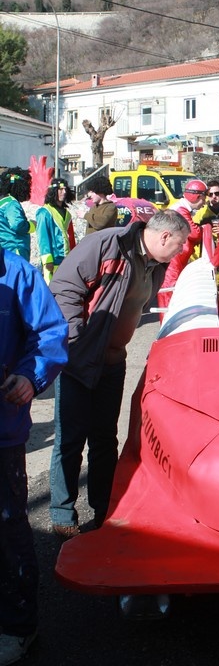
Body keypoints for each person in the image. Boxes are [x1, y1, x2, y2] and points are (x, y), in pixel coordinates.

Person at [48, 211, 190, 539]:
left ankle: (103, 508)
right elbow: (64, 290)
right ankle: (61, 513)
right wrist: (75, 340)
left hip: (113, 362)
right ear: (165, 237)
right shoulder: (106, 245)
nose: (180, 252)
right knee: (70, 439)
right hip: (79, 359)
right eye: (179, 245)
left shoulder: (156, 263)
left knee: (104, 437)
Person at [0, 246, 68, 665]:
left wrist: (30, 374)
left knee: (7, 529)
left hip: (3, 431)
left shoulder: (17, 273)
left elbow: (50, 333)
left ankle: (18, 626)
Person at [159, 179, 207, 310]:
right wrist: (205, 228)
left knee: (171, 289)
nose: (204, 202)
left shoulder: (180, 207)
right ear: (197, 196)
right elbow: (195, 234)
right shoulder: (181, 210)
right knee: (169, 290)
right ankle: (168, 324)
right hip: (174, 259)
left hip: (175, 257)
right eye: (203, 198)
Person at [35, 178, 76, 284]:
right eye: (60, 189)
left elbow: (71, 238)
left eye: (65, 189)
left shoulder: (67, 214)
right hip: (53, 261)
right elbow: (43, 238)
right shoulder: (44, 212)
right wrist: (47, 260)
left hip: (67, 260)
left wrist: (74, 256)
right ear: (54, 191)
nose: (64, 192)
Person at [0, 168, 34, 262]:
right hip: (15, 250)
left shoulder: (2, 203)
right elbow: (17, 224)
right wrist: (31, 225)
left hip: (4, 251)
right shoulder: (11, 203)